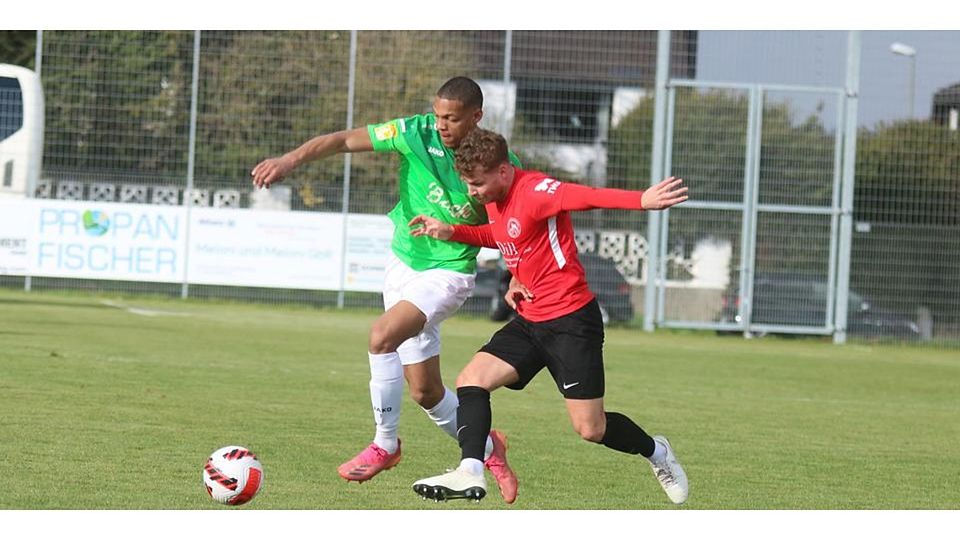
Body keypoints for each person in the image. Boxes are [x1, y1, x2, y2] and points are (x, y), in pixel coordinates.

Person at [250, 77, 520, 503]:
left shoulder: (499, 163)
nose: (442, 124)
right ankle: (490, 448)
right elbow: (342, 140)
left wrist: (517, 274)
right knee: (426, 392)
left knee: (381, 337)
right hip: (401, 264)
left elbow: (517, 228)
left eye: (451, 118)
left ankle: (385, 444)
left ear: (476, 117)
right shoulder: (414, 132)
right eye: (438, 114)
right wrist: (289, 161)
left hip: (449, 272)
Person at [407, 127, 690, 504]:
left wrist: (642, 199)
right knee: (472, 380)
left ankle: (657, 452)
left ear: (503, 171)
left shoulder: (537, 191)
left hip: (572, 322)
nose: (473, 192)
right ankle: (470, 469)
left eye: (477, 184)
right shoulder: (495, 197)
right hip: (530, 318)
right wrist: (452, 231)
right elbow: (502, 234)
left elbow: (587, 197)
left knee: (591, 428)